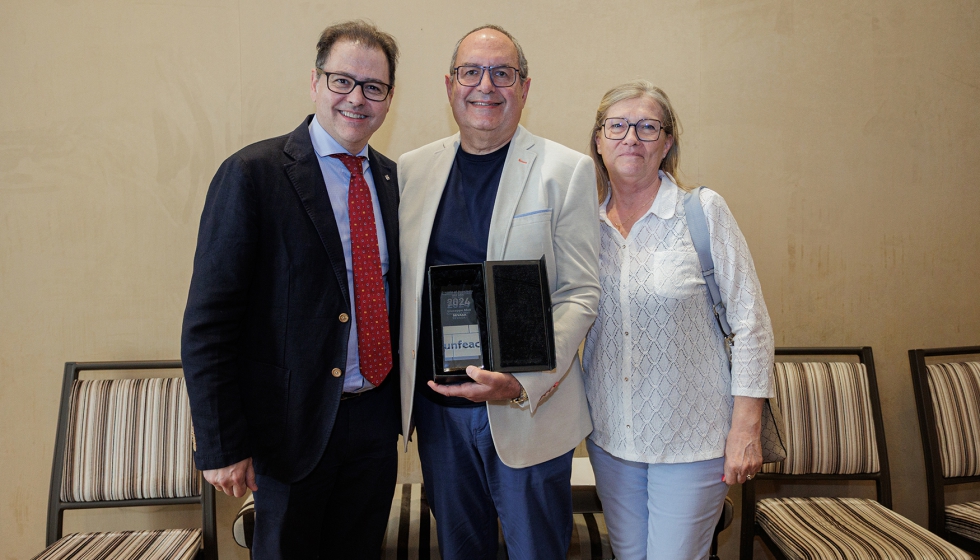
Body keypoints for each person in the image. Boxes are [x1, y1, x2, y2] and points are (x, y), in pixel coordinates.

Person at [181, 20, 401, 559]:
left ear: (389, 98)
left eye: (374, 87)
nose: (357, 98)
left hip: (374, 425)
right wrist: (222, 443)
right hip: (288, 431)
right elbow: (209, 322)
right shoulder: (253, 174)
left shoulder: (393, 180)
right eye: (343, 80)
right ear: (315, 82)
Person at [397, 25, 599, 560]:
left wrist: (522, 380)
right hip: (440, 411)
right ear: (449, 85)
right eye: (471, 72)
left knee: (537, 550)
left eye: (502, 73)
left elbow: (580, 292)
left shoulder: (566, 170)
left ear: (524, 88)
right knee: (462, 549)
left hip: (527, 409)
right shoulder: (412, 170)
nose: (485, 86)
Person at [582, 80, 775, 560]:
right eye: (618, 126)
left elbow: (752, 325)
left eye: (648, 127)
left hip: (693, 441)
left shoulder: (702, 212)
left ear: (667, 142)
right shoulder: (584, 225)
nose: (632, 138)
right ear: (599, 140)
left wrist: (745, 430)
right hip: (610, 440)